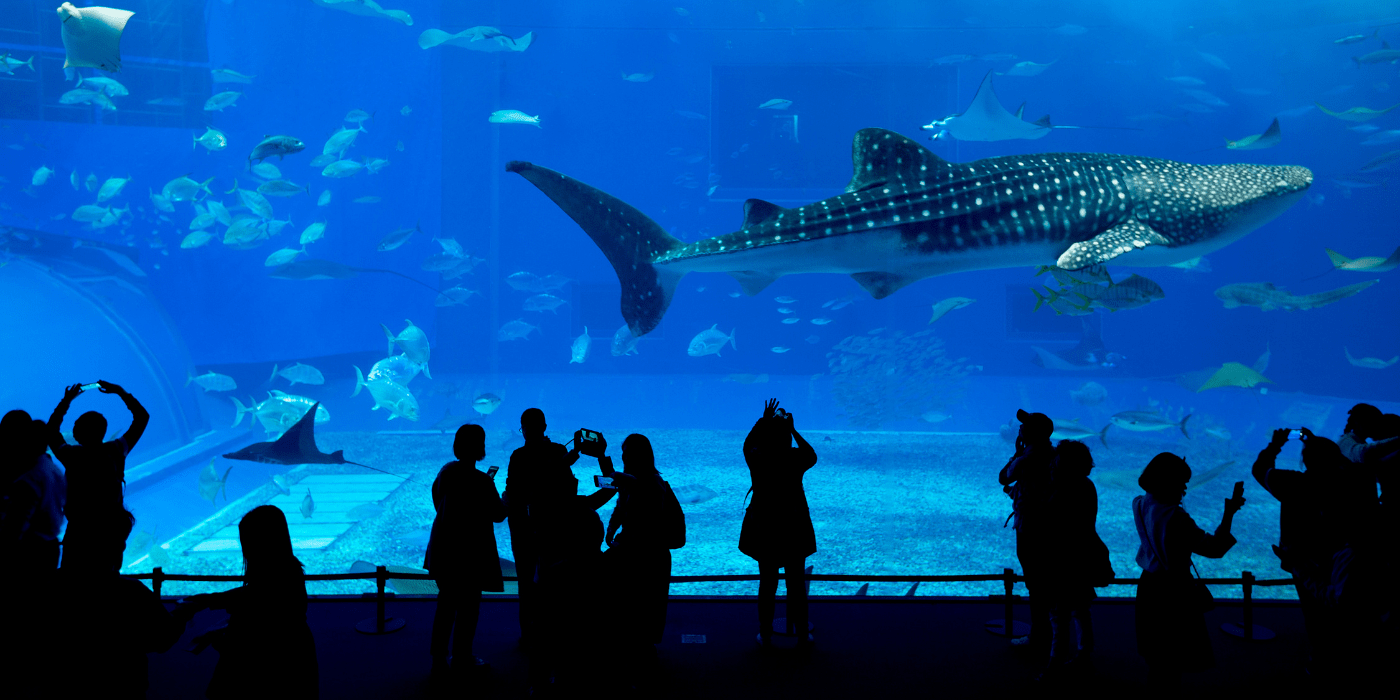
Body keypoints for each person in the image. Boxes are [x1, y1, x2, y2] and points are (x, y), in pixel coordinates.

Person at [1251, 427, 1379, 677]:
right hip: (1346, 557)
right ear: (1336, 458)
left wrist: (1276, 445)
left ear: (1305, 461)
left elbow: (1260, 470)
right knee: (1352, 611)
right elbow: (1342, 466)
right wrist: (1317, 446)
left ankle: (1321, 661)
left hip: (1304, 561)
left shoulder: (1293, 483)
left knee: (1315, 612)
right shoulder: (1354, 482)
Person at [174, 505, 318, 699]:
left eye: (248, 541)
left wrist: (223, 639)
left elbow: (260, 648)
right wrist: (206, 602)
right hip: (295, 666)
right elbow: (253, 598)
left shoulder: (275, 579)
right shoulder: (289, 571)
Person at [1133, 453, 1245, 689]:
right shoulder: (1176, 517)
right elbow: (1214, 549)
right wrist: (1229, 513)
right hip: (1173, 590)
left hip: (1149, 585)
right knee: (1174, 650)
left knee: (1156, 648)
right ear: (1169, 482)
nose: (1184, 487)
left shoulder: (1140, 503)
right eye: (1181, 482)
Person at [50, 509, 186, 699]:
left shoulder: (48, 587)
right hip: (123, 690)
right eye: (121, 545)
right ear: (112, 548)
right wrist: (183, 613)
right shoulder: (130, 591)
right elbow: (163, 639)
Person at [425, 424, 507, 678]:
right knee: (469, 607)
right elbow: (498, 514)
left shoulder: (446, 470)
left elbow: (437, 498)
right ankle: (462, 656)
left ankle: (439, 659)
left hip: (443, 551)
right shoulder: (482, 481)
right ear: (480, 447)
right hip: (470, 556)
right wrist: (503, 495)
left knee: (446, 605)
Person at [740, 398, 818, 649]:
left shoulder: (758, 458)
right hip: (793, 528)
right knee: (796, 584)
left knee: (768, 582)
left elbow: (748, 444)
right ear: (786, 437)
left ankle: (766, 633)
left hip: (766, 527)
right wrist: (793, 429)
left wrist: (763, 420)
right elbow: (812, 455)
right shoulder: (794, 458)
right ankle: (803, 635)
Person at [503, 407, 579, 648]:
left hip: (524, 530)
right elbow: (569, 490)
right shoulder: (559, 451)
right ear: (544, 427)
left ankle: (528, 633)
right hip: (555, 528)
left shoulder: (518, 456)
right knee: (554, 581)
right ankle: (555, 631)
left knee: (526, 582)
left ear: (523, 430)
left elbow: (512, 493)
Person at [605, 434, 682, 655]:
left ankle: (642, 651)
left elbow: (649, 516)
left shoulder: (652, 482)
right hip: (633, 549)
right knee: (633, 603)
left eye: (629, 452)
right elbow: (621, 506)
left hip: (650, 553)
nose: (625, 456)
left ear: (641, 454)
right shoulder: (631, 479)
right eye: (623, 451)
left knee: (646, 604)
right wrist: (611, 530)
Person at [1041, 439, 1111, 677]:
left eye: (1057, 460)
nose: (1052, 464)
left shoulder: (1064, 491)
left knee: (1058, 615)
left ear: (1065, 463)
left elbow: (1055, 528)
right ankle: (1084, 655)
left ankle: (1053, 668)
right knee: (1081, 609)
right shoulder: (1086, 485)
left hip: (1063, 561)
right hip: (1083, 556)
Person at [46, 381, 148, 539]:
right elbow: (142, 417)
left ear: (77, 433)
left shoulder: (71, 455)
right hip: (112, 529)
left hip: (80, 530)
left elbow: (51, 430)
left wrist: (66, 401)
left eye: (76, 426)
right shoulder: (116, 449)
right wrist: (120, 391)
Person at [997, 409, 1055, 651]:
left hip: (1030, 527)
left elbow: (1003, 477)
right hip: (1053, 525)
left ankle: (1040, 636)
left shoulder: (1026, 459)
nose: (1018, 429)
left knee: (1035, 581)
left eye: (1023, 427)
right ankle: (1053, 633)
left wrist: (1018, 451)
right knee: (1049, 579)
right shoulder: (1055, 455)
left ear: (1027, 434)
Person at [1, 413, 65, 570]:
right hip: (49, 548)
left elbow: (14, 529)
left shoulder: (29, 479)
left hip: (28, 554)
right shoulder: (53, 469)